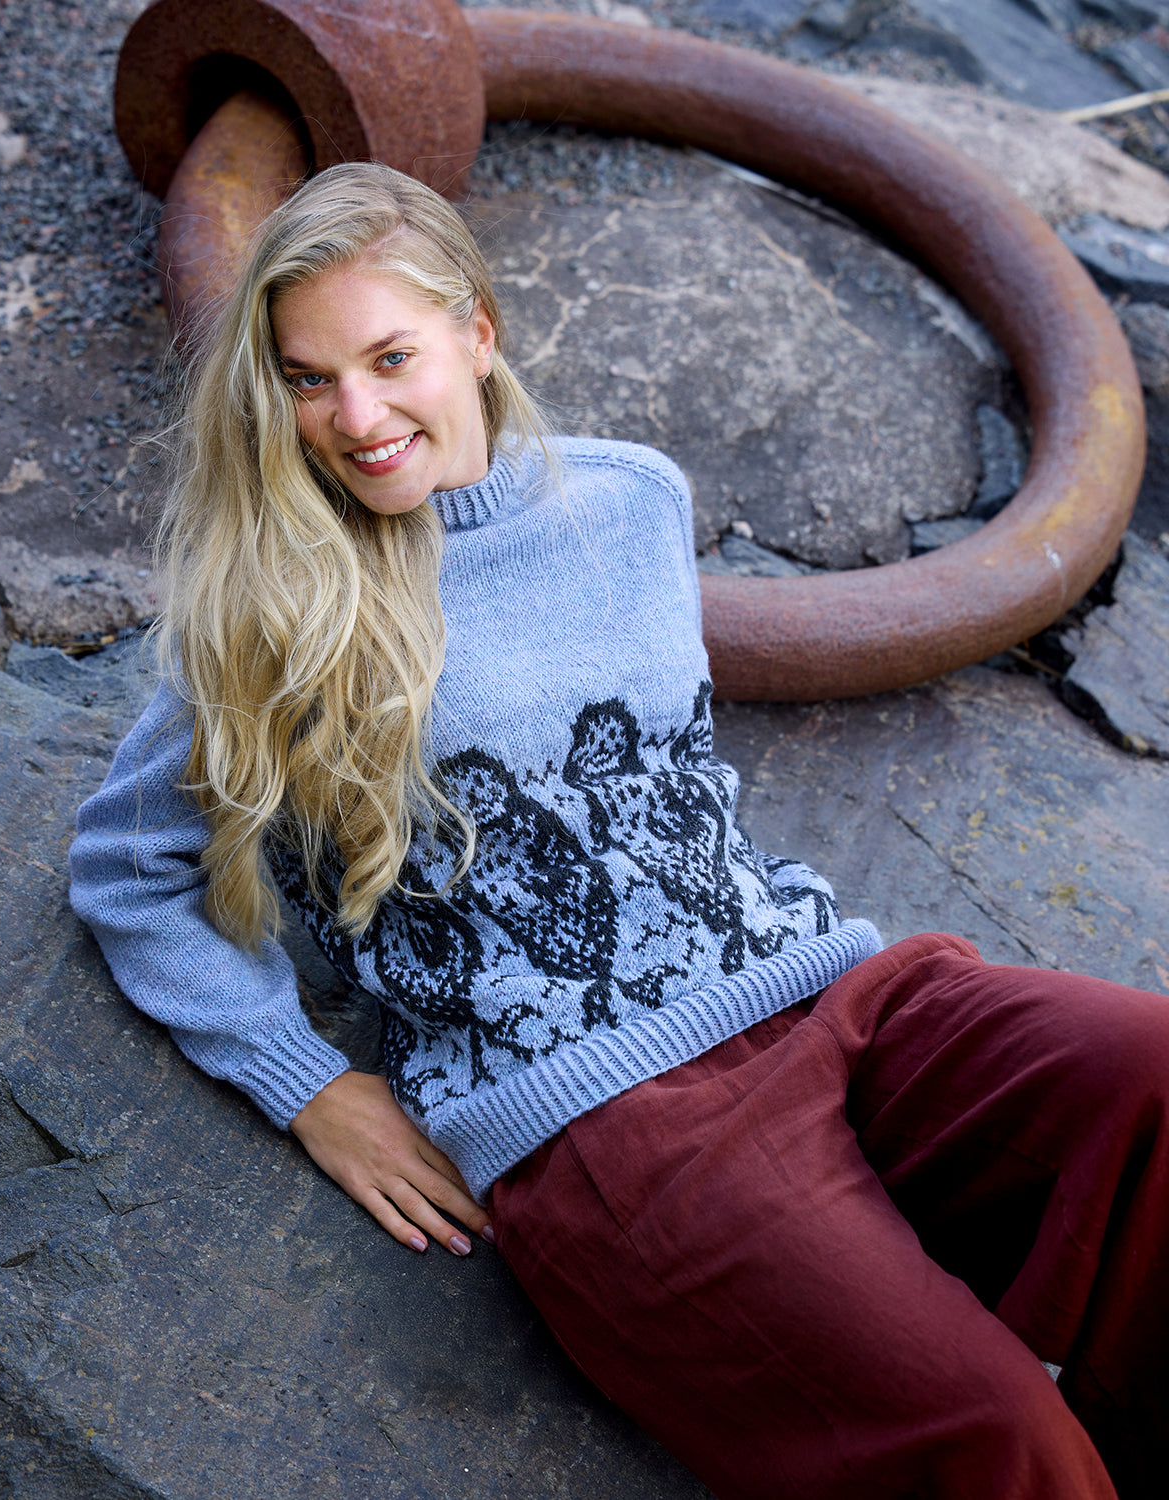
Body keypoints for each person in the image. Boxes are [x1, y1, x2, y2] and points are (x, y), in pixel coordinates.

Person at [69, 162, 1168, 1500]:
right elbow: (127, 867)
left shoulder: (631, 499)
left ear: (478, 332)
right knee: (999, 1434)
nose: (355, 416)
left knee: (1152, 1076)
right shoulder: (278, 605)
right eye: (309, 379)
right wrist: (305, 1083)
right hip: (611, 1126)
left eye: (390, 357)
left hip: (826, 995)